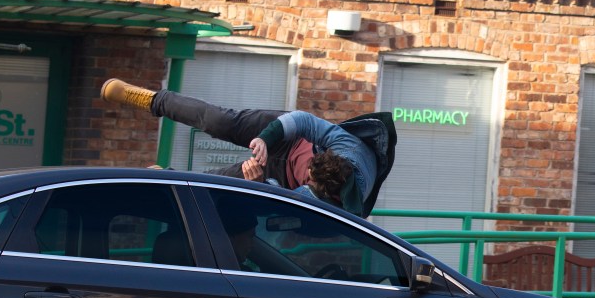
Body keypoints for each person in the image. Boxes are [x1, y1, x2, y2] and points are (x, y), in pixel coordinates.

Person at [100, 79, 396, 218]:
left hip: (278, 180)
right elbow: (305, 121)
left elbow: (282, 205)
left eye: (308, 181)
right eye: (311, 168)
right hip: (288, 138)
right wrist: (266, 138)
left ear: (326, 191)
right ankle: (151, 99)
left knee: (221, 183)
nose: (306, 177)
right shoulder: (348, 147)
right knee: (221, 122)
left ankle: (166, 178)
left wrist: (260, 184)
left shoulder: (332, 207)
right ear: (328, 157)